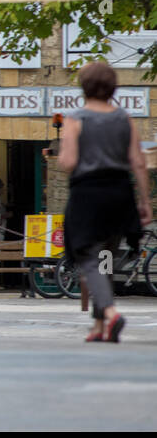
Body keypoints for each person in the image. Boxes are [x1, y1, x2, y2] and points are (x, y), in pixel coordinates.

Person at [57, 61, 151, 342]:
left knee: (88, 257)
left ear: (83, 87)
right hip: (119, 192)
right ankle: (99, 326)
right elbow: (138, 161)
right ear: (113, 87)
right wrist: (144, 200)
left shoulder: (75, 119)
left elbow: (68, 161)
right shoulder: (124, 118)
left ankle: (110, 313)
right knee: (107, 257)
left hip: (88, 194)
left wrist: (62, 153)